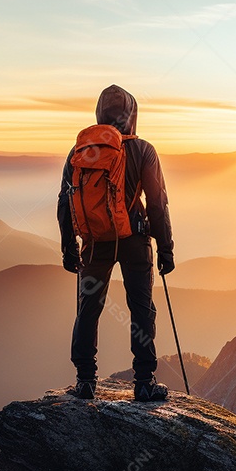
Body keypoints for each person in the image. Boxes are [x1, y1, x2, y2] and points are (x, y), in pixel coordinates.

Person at [56, 85, 175, 402]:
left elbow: (65, 201)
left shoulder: (79, 152)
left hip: (95, 243)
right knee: (141, 310)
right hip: (135, 241)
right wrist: (165, 249)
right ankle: (144, 382)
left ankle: (85, 381)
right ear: (133, 115)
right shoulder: (144, 150)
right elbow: (157, 204)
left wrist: (68, 247)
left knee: (88, 310)